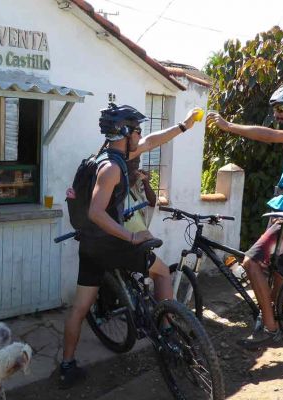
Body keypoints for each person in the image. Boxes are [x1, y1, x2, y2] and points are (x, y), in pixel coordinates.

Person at [59, 104, 198, 388]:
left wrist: (182, 126)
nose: (140, 135)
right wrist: (132, 237)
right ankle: (167, 330)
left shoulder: (103, 157)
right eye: (136, 130)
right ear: (124, 132)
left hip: (89, 246)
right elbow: (96, 213)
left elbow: (151, 142)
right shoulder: (111, 168)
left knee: (80, 308)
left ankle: (67, 365)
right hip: (111, 245)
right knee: (160, 273)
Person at [206, 84, 283, 349]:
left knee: (250, 263)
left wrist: (229, 126)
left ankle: (271, 329)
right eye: (275, 110)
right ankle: (272, 317)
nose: (278, 115)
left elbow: (269, 136)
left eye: (282, 109)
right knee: (276, 268)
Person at [123, 156, 157, 233]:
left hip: (139, 231)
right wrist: (132, 179)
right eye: (133, 162)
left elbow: (152, 202)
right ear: (125, 163)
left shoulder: (138, 181)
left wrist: (146, 182)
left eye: (138, 162)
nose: (136, 166)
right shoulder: (115, 178)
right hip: (123, 232)